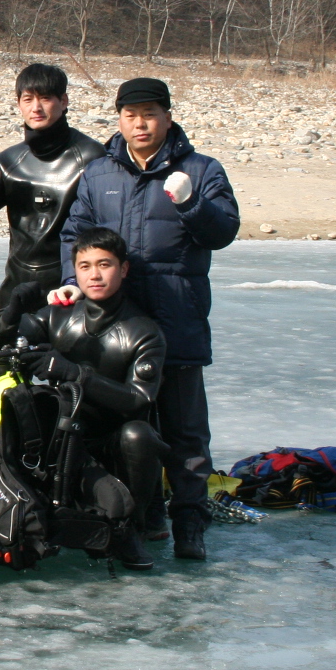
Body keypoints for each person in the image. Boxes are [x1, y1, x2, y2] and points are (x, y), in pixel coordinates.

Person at [59, 77, 239, 561]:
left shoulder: (200, 170)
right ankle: (144, 516)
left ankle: (190, 523)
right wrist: (73, 279)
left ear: (168, 116)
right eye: (131, 115)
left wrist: (192, 203)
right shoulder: (100, 173)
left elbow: (224, 231)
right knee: (130, 424)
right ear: (119, 119)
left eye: (150, 114)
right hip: (117, 327)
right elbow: (75, 232)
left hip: (176, 318)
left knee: (185, 432)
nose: (140, 124)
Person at [0, 227, 168, 571]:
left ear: (124, 269)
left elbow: (139, 399)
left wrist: (76, 374)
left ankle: (131, 529)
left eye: (104, 265)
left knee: (139, 435)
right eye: (85, 266)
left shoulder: (144, 331)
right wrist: (11, 313)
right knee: (21, 398)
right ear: (75, 272)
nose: (94, 275)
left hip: (112, 441)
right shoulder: (57, 316)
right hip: (61, 442)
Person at [0, 63, 104, 310]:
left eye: (45, 98)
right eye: (28, 99)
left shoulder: (93, 158)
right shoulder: (10, 161)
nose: (36, 107)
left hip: (72, 286)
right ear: (19, 104)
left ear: (63, 101)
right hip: (18, 286)